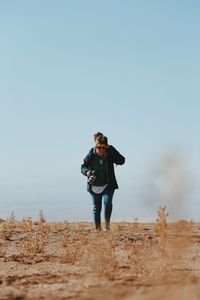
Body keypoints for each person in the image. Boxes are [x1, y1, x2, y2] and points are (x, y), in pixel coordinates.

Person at [81, 132, 125, 231]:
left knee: (107, 203)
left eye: (103, 148)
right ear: (96, 146)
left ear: (106, 147)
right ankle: (98, 230)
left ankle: (107, 228)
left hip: (108, 185)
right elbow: (82, 167)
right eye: (99, 147)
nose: (101, 150)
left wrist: (112, 149)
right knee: (97, 208)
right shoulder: (91, 154)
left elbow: (122, 161)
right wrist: (87, 172)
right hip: (94, 185)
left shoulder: (110, 153)